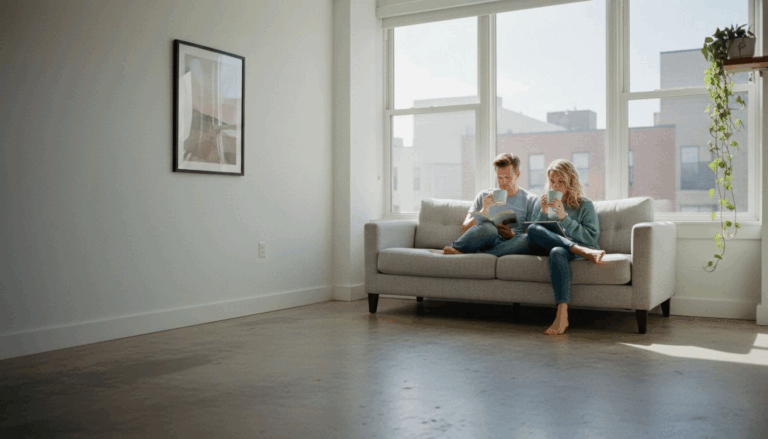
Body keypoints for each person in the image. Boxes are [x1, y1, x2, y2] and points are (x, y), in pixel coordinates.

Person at [526, 159, 606, 335]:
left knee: (557, 252)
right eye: (552, 182)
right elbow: (536, 231)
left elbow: (591, 238)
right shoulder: (546, 202)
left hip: (578, 248)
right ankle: (577, 249)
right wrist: (544, 211)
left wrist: (564, 217)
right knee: (533, 229)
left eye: (560, 182)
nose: (555, 186)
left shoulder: (585, 204)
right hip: (562, 247)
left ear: (571, 182)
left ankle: (562, 314)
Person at [441, 153, 539, 257]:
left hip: (510, 245)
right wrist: (484, 209)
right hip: (485, 240)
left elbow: (531, 235)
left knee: (527, 240)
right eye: (499, 177)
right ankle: (456, 248)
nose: (503, 182)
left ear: (518, 175)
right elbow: (465, 229)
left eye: (507, 177)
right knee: (489, 229)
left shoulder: (530, 200)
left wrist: (512, 235)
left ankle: (478, 255)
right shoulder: (484, 195)